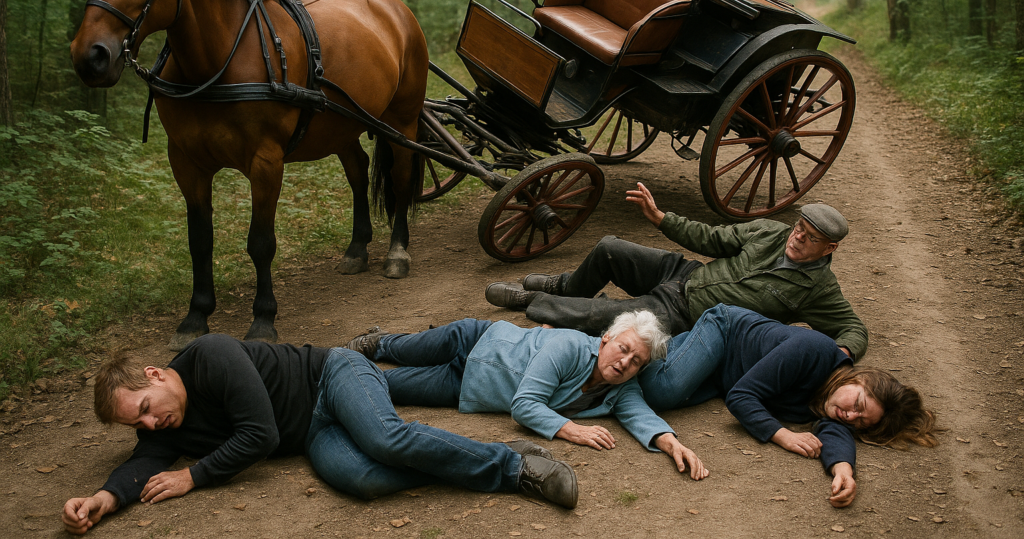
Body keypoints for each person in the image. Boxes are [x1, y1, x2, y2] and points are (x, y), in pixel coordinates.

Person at [62, 336, 580, 535]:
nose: (151, 426)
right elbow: (144, 460)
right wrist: (105, 497)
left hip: (334, 375)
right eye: (139, 425)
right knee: (365, 479)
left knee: (385, 440)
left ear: (154, 375)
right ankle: (499, 450)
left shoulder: (210, 356)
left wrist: (193, 475)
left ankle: (517, 471)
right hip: (311, 432)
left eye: (147, 411)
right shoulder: (161, 425)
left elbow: (260, 435)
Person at [485, 182, 868, 360]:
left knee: (606, 315)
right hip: (684, 274)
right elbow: (710, 238)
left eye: (810, 237)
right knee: (610, 249)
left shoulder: (818, 288)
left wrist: (841, 352)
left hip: (686, 315)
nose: (798, 237)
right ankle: (566, 285)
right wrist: (660, 218)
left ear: (829, 248)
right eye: (800, 227)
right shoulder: (771, 231)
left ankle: (532, 299)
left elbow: (854, 328)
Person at [347, 310, 708, 480]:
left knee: (386, 386)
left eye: (636, 361)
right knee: (402, 350)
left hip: (468, 385)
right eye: (623, 348)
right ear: (606, 339)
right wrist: (570, 429)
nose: (625, 362)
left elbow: (640, 415)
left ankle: (350, 369)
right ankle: (378, 339)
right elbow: (524, 406)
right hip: (475, 340)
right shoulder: (569, 345)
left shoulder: (619, 387)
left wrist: (672, 443)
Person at [637, 303, 937, 507]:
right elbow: (741, 398)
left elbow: (835, 432)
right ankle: (617, 342)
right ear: (857, 379)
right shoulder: (814, 350)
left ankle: (633, 352)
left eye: (860, 422)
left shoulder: (833, 405)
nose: (850, 414)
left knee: (654, 387)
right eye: (857, 403)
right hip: (725, 331)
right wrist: (785, 436)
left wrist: (843, 469)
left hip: (724, 376)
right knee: (663, 390)